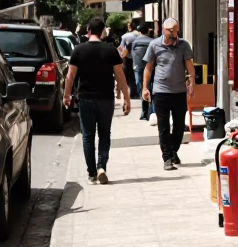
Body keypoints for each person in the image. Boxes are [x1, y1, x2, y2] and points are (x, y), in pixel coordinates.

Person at [64, 17, 131, 184]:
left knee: (87, 136)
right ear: (103, 32)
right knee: (104, 133)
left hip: (85, 98)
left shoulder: (78, 50)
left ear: (88, 31)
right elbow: (120, 76)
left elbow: (70, 76)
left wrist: (66, 95)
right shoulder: (110, 50)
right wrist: (126, 98)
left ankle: (92, 174)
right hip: (106, 98)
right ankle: (102, 166)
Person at [142, 18, 194, 171]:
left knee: (179, 126)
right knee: (163, 126)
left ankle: (173, 150)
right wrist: (145, 88)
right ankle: (167, 157)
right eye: (171, 32)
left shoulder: (183, 45)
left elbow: (190, 66)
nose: (174, 35)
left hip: (179, 92)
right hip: (160, 92)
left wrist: (192, 84)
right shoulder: (154, 45)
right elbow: (148, 68)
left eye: (176, 31)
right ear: (164, 30)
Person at [130, 21, 154, 119]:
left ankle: (144, 113)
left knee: (142, 90)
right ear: (148, 31)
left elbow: (132, 56)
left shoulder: (134, 42)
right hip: (151, 69)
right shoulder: (152, 41)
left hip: (138, 69)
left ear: (139, 31)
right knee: (152, 89)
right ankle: (152, 112)